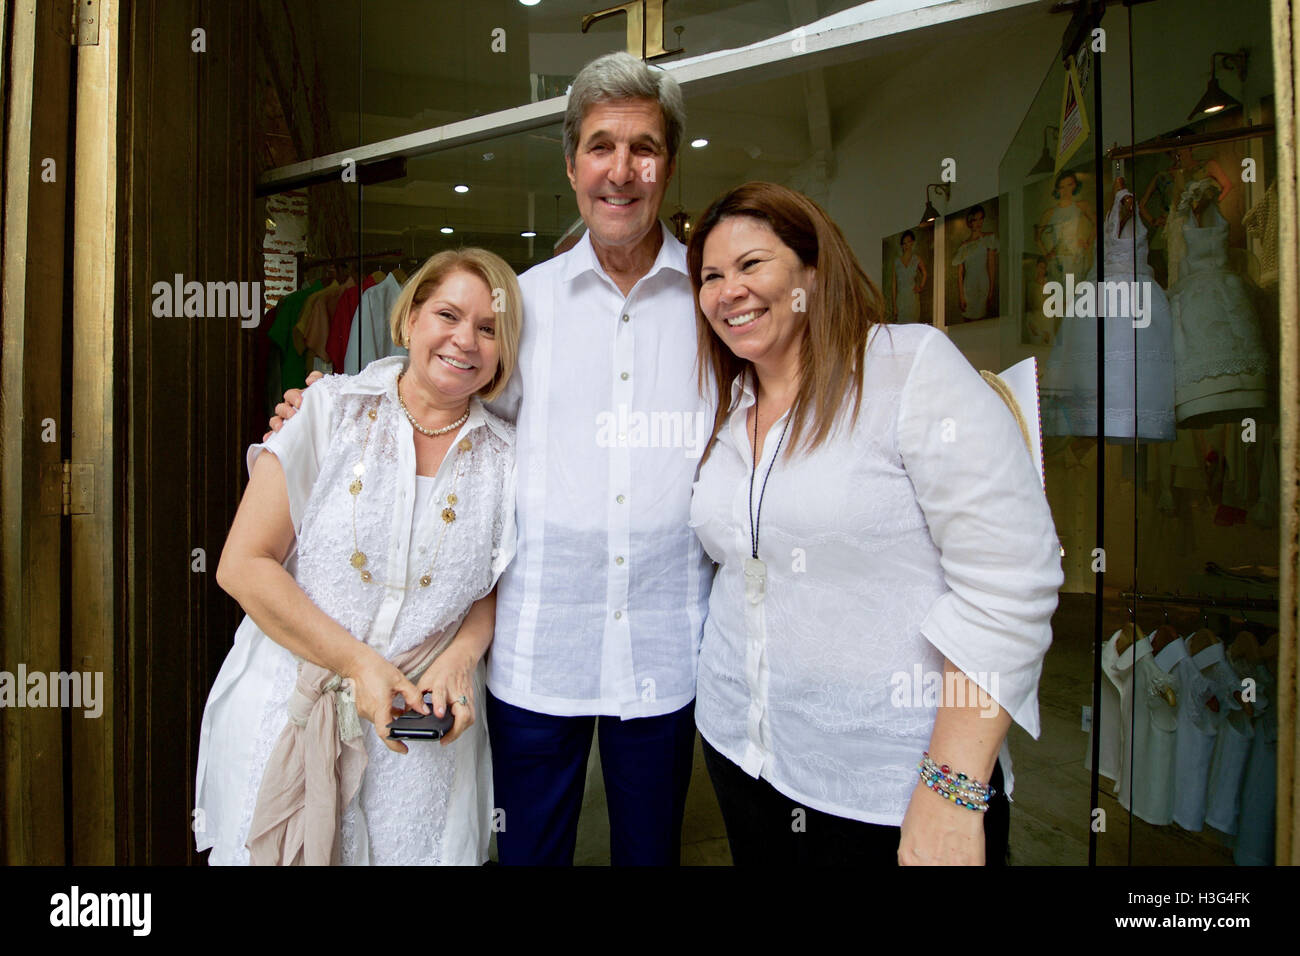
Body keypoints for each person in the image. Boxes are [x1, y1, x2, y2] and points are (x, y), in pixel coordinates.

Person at [268, 52, 710, 866]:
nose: (621, 170)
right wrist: (323, 408)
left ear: (669, 166)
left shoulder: (713, 306)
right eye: (601, 146)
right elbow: (439, 387)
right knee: (528, 855)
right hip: (537, 649)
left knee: (651, 854)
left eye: (643, 147)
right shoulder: (523, 305)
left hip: (664, 648)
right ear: (572, 162)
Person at [686, 182, 1063, 865]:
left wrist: (952, 788)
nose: (727, 291)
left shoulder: (906, 367)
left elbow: (1012, 577)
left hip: (886, 785)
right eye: (711, 276)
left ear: (813, 271)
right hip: (742, 753)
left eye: (751, 265)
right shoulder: (731, 405)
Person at [195, 248, 522, 865]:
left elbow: (496, 584)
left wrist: (460, 654)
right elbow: (243, 564)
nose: (465, 340)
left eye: (489, 328)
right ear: (408, 319)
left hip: (418, 751)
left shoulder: (507, 460)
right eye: (448, 315)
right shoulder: (329, 411)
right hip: (288, 712)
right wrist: (357, 665)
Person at [951, 204, 998, 320]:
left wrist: (991, 291)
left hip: (983, 283)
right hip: (969, 285)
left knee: (982, 319)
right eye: (975, 219)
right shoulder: (964, 246)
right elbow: (960, 274)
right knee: (968, 318)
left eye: (981, 218)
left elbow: (991, 266)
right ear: (970, 222)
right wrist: (961, 296)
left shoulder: (989, 238)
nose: (978, 222)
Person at [890, 229, 927, 324]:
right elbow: (894, 284)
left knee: (913, 326)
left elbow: (924, 273)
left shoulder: (916, 259)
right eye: (904, 243)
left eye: (908, 242)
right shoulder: (896, 262)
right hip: (901, 299)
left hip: (912, 298)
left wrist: (921, 287)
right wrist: (894, 305)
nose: (906, 245)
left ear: (912, 243)